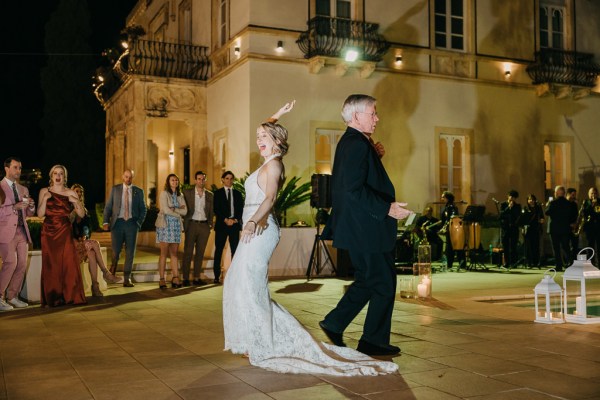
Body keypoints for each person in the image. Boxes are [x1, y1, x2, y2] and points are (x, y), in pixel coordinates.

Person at [223, 101, 398, 375]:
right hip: (251, 227)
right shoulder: (266, 159)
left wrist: (253, 221)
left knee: (251, 284)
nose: (258, 140)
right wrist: (277, 115)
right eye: (258, 137)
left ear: (277, 142)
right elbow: (265, 131)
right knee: (241, 283)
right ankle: (254, 337)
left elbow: (269, 198)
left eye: (263, 137)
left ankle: (262, 340)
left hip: (258, 229)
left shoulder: (274, 166)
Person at [320, 94, 411, 357]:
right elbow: (352, 189)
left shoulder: (355, 142)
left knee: (374, 280)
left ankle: (340, 325)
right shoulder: (357, 144)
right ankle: (369, 338)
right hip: (365, 227)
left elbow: (359, 180)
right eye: (373, 113)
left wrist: (375, 156)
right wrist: (387, 208)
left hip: (361, 226)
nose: (377, 118)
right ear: (356, 116)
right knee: (381, 280)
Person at [37, 165, 86, 307]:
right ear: (51, 176)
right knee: (51, 264)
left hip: (65, 231)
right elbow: (40, 214)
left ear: (65, 177)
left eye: (61, 174)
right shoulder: (44, 191)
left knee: (69, 263)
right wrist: (45, 199)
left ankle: (71, 296)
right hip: (48, 232)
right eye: (55, 173)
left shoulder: (70, 192)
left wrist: (76, 201)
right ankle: (54, 297)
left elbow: (81, 214)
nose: (58, 176)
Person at [71, 184, 121, 296]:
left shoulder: (84, 209)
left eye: (80, 192)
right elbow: (67, 227)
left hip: (82, 241)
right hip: (72, 243)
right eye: (76, 191)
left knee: (92, 253)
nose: (78, 193)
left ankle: (95, 286)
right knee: (95, 243)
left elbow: (87, 227)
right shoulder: (69, 208)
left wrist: (85, 236)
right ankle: (106, 274)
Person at [0, 157, 35, 311]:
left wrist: (31, 207)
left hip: (22, 231)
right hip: (6, 232)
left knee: (21, 264)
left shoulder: (23, 189)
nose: (19, 171)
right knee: (10, 264)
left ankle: (12, 296)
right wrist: (14, 207)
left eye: (20, 168)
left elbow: (27, 213)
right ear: (6, 168)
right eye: (15, 167)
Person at [103, 169, 147, 287]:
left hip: (132, 224)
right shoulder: (115, 189)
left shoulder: (139, 191)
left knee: (130, 252)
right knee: (116, 251)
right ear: (123, 177)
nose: (128, 179)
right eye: (126, 177)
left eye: (130, 177)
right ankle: (113, 266)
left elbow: (143, 209)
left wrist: (138, 223)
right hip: (117, 224)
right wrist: (105, 221)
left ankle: (127, 278)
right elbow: (108, 207)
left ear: (133, 177)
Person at [182, 171, 213, 286]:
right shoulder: (187, 192)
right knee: (188, 252)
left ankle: (196, 277)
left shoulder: (209, 195)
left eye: (203, 179)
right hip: (191, 225)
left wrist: (210, 224)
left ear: (205, 180)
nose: (201, 181)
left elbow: (211, 211)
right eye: (199, 179)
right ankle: (185, 278)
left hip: (204, 226)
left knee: (200, 253)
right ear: (195, 180)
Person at [156, 174, 187, 289]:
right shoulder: (164, 194)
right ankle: (162, 279)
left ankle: (175, 278)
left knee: (174, 254)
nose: (175, 182)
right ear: (168, 182)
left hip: (176, 227)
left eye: (176, 180)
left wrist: (176, 210)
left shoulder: (180, 195)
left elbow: (186, 211)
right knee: (163, 253)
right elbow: (165, 210)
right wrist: (178, 213)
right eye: (172, 180)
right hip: (165, 225)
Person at [212, 170, 243, 284]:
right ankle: (216, 275)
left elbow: (240, 209)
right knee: (219, 250)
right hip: (222, 225)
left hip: (234, 226)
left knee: (235, 251)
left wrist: (234, 220)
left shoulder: (238, 194)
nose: (229, 181)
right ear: (223, 180)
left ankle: (235, 275)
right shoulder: (217, 193)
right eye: (227, 178)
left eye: (231, 179)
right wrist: (225, 219)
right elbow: (216, 209)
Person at [545, 186, 578, 271]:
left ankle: (558, 266)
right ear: (563, 193)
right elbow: (571, 216)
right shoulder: (568, 204)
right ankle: (572, 263)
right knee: (566, 247)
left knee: (556, 248)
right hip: (565, 229)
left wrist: (548, 204)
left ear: (556, 193)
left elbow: (547, 212)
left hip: (554, 229)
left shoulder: (553, 203)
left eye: (555, 192)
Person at [440, 191, 466, 271]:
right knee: (450, 247)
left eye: (443, 197)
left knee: (454, 247)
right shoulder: (448, 206)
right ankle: (451, 265)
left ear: (447, 198)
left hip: (452, 229)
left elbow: (452, 218)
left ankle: (459, 265)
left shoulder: (451, 207)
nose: (442, 199)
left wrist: (445, 227)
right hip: (449, 228)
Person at [499, 190, 522, 268]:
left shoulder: (518, 206)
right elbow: (501, 215)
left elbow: (517, 215)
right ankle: (506, 263)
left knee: (513, 246)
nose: (512, 199)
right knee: (505, 246)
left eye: (514, 197)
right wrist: (508, 207)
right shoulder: (503, 204)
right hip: (505, 228)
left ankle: (514, 262)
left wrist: (512, 208)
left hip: (514, 228)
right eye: (510, 196)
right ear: (508, 196)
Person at [521, 194, 544, 268]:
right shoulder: (526, 208)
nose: (531, 201)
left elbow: (542, 216)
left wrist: (542, 220)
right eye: (529, 199)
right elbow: (522, 219)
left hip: (536, 228)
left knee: (536, 246)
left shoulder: (538, 208)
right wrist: (523, 227)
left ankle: (536, 262)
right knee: (528, 246)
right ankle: (529, 262)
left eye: (532, 199)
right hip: (528, 229)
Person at [581, 187, 600, 266]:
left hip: (598, 227)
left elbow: (598, 214)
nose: (593, 195)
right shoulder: (586, 202)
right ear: (589, 194)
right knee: (590, 246)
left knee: (599, 246)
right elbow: (584, 213)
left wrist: (596, 204)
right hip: (589, 227)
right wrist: (591, 205)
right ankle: (591, 263)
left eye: (595, 193)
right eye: (591, 193)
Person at [566, 187, 579, 259]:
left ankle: (574, 260)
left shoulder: (574, 204)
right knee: (566, 245)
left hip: (574, 227)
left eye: (575, 195)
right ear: (568, 194)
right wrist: (569, 224)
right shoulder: (564, 204)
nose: (574, 197)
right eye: (573, 195)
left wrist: (576, 223)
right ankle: (568, 261)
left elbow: (576, 215)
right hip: (566, 227)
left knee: (575, 246)